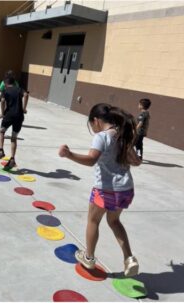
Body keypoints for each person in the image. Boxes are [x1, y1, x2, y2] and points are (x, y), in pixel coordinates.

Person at [58, 103, 141, 277]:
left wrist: (69, 154)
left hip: (106, 190)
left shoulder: (102, 137)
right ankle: (129, 258)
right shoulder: (121, 134)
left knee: (93, 221)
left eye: (91, 124)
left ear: (95, 120)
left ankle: (88, 257)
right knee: (114, 222)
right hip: (125, 189)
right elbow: (136, 161)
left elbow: (91, 160)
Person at [0, 72, 29, 170]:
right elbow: (26, 95)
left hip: (9, 115)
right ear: (14, 82)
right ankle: (12, 159)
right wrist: (24, 108)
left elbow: (2, 101)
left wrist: (2, 113)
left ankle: (1, 150)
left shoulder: (5, 90)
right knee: (14, 138)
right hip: (19, 116)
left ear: (5, 82)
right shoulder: (19, 89)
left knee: (1, 131)